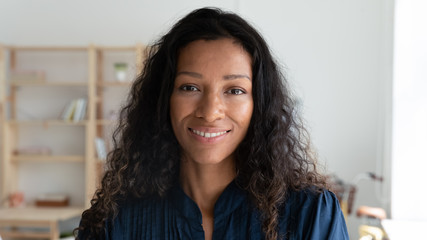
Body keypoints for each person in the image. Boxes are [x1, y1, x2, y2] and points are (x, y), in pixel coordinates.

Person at [76, 7, 349, 240]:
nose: (210, 112)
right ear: (163, 99)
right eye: (190, 87)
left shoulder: (310, 214)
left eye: (234, 90)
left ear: (259, 104)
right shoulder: (115, 221)